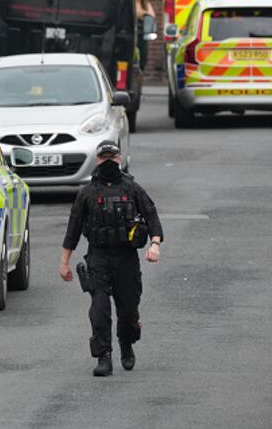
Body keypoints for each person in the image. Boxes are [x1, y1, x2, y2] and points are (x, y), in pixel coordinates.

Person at [60, 140, 163, 377]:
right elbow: (73, 229)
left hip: (126, 258)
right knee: (99, 309)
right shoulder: (87, 192)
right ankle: (103, 356)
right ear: (97, 160)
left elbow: (151, 215)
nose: (108, 161)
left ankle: (126, 344)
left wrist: (154, 244)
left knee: (128, 312)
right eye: (103, 157)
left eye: (112, 157)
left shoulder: (132, 188)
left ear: (119, 159)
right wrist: (64, 262)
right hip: (98, 257)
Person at [135, 0, 156, 72]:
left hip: (142, 35)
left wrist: (142, 14)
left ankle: (140, 71)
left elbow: (152, 16)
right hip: (132, 34)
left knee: (143, 57)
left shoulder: (146, 4)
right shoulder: (130, 3)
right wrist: (143, 13)